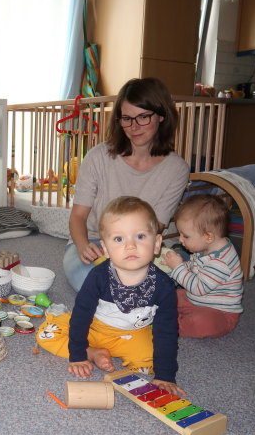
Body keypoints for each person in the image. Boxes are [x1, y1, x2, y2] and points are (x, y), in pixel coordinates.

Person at [63, 77, 189, 293]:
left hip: (140, 243)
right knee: (91, 282)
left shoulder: (177, 169)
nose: (134, 127)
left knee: (178, 274)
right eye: (127, 119)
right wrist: (83, 246)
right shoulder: (98, 156)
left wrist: (128, 254)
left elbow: (154, 227)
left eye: (143, 117)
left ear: (161, 116)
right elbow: (78, 216)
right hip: (96, 240)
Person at [68, 196, 185, 397]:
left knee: (150, 359)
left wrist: (165, 375)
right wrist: (78, 355)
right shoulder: (98, 277)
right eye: (119, 239)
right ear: (105, 249)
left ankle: (100, 351)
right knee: (50, 333)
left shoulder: (164, 286)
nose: (130, 246)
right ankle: (91, 351)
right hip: (97, 328)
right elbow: (81, 316)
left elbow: (166, 331)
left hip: (133, 333)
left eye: (140, 236)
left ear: (157, 243)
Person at [164, 194, 243, 338]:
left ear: (208, 237)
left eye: (185, 236)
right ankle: (162, 312)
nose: (180, 240)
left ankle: (171, 324)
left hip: (219, 313)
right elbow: (195, 268)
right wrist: (178, 266)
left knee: (201, 322)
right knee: (169, 296)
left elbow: (198, 288)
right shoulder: (207, 248)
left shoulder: (221, 262)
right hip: (195, 299)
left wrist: (178, 268)